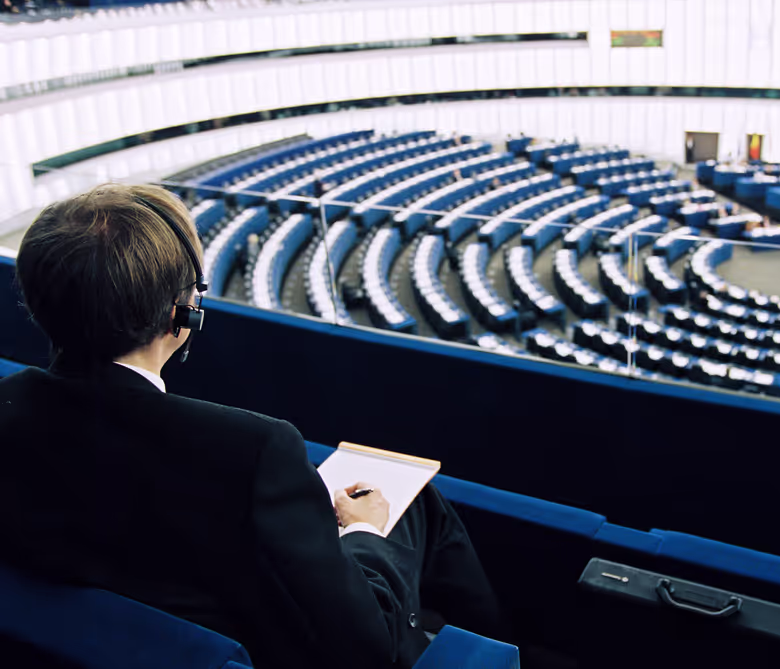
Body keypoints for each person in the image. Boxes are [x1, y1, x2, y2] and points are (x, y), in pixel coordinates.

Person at [0, 184, 502, 669]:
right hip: (257, 647)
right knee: (415, 503)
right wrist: (363, 530)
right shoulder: (256, 451)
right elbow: (365, 645)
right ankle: (497, 648)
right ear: (183, 313)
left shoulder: (10, 404)